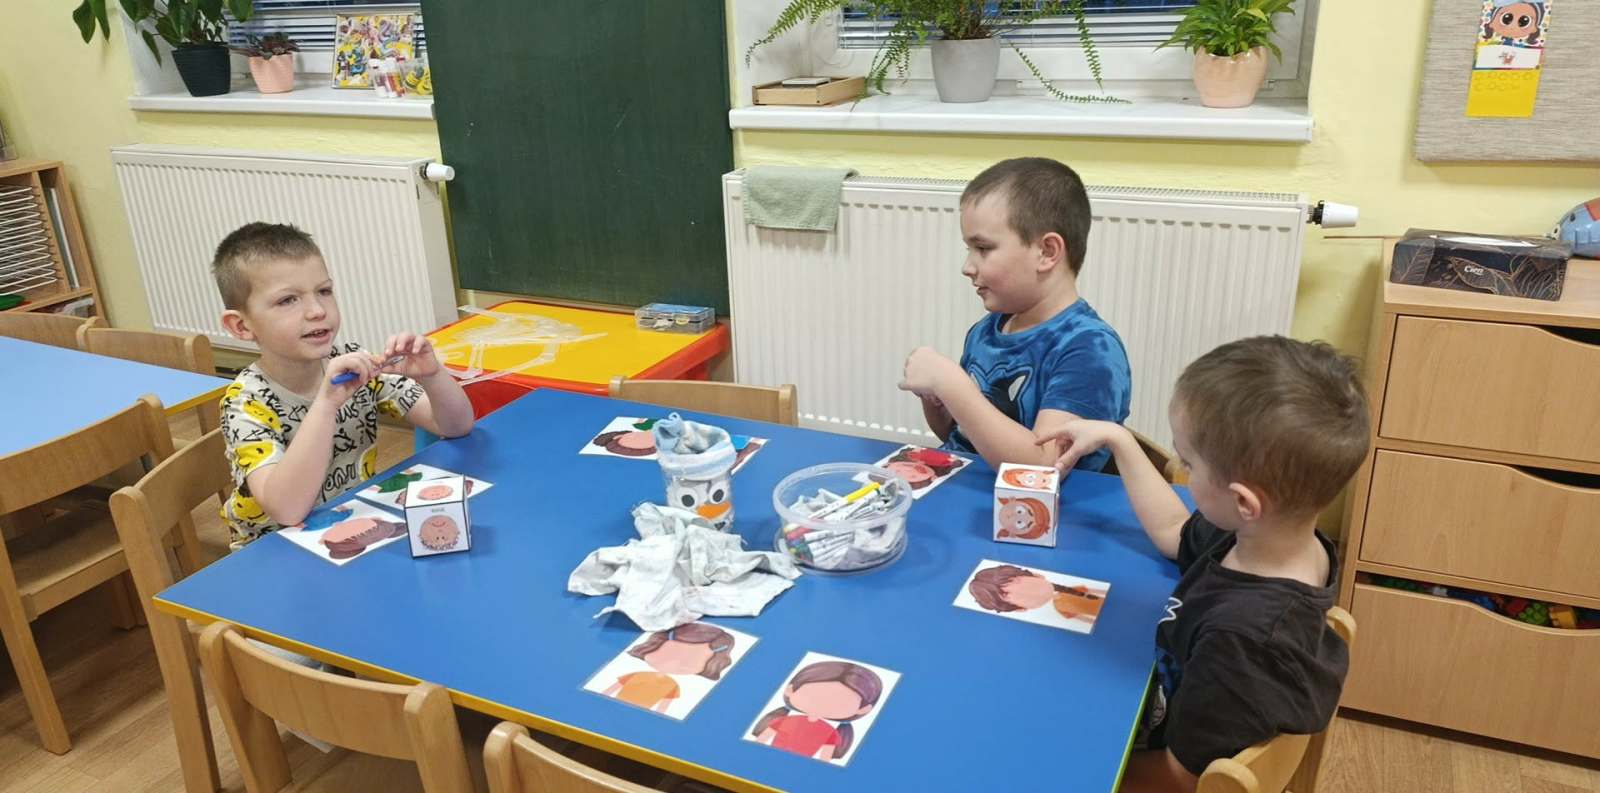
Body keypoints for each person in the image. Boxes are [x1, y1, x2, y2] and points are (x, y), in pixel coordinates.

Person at [1035, 336, 1368, 791]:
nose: (1182, 472)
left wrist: (1065, 774)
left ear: (1244, 502)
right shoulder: (1272, 539)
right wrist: (1117, 439)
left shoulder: (1244, 641)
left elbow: (1181, 779)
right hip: (1163, 700)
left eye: (1189, 465)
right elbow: (1173, 531)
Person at [212, 222, 474, 548]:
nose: (317, 311)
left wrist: (432, 376)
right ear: (240, 326)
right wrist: (326, 406)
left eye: (324, 291)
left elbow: (455, 426)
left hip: (350, 525)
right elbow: (287, 510)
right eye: (288, 300)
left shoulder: (350, 360)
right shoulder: (246, 403)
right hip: (274, 551)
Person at [898, 157, 1131, 471]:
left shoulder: (1090, 349)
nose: (967, 267)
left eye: (983, 248)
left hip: (1039, 501)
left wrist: (951, 384)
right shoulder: (986, 331)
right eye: (969, 249)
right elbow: (963, 438)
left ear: (1047, 252)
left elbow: (1044, 467)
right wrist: (936, 398)